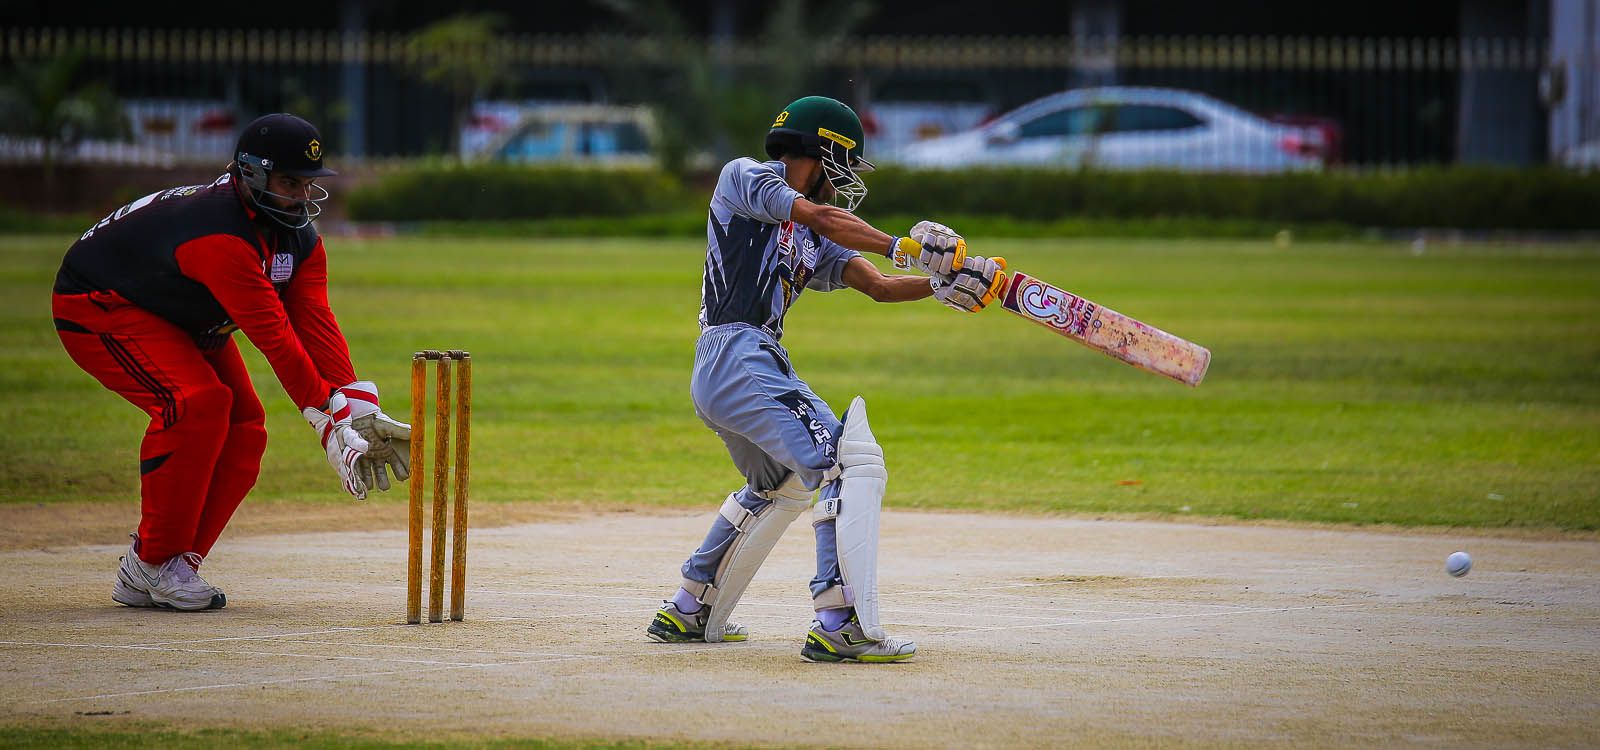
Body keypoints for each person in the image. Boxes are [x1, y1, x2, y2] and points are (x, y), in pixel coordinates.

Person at [645, 95, 1007, 662]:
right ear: (821, 153)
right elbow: (819, 216)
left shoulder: (814, 236)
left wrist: (948, 283)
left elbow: (879, 286)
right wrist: (905, 247)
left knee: (781, 486)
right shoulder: (747, 178)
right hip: (738, 351)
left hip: (735, 365)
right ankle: (839, 623)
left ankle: (689, 608)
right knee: (846, 460)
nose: (846, 182)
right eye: (844, 165)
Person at [52, 113, 412, 611]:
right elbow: (274, 337)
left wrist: (355, 406)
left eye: (307, 184)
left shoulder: (300, 238)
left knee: (246, 427)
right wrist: (326, 423)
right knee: (195, 403)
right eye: (289, 183)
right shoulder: (220, 236)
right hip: (101, 305)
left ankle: (172, 565)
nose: (301, 196)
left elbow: (313, 321)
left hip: (180, 309)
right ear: (250, 173)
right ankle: (151, 562)